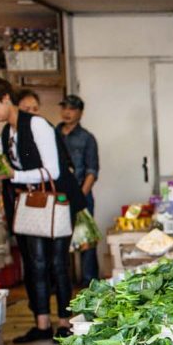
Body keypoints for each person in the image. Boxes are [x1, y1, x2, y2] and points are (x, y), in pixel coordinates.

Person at [0, 76, 86, 343]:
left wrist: (12, 175)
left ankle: (64, 322)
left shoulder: (36, 124)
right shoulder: (5, 134)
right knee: (35, 265)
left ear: (5, 98)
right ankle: (42, 323)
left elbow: (53, 170)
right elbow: (4, 171)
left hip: (56, 202)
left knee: (58, 264)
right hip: (29, 205)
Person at [57, 95, 99, 286]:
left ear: (80, 113)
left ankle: (90, 283)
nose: (67, 112)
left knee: (86, 241)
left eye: (72, 109)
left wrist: (79, 197)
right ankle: (61, 283)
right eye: (64, 107)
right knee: (60, 241)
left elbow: (92, 171)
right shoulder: (53, 133)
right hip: (57, 196)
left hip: (82, 195)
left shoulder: (87, 138)